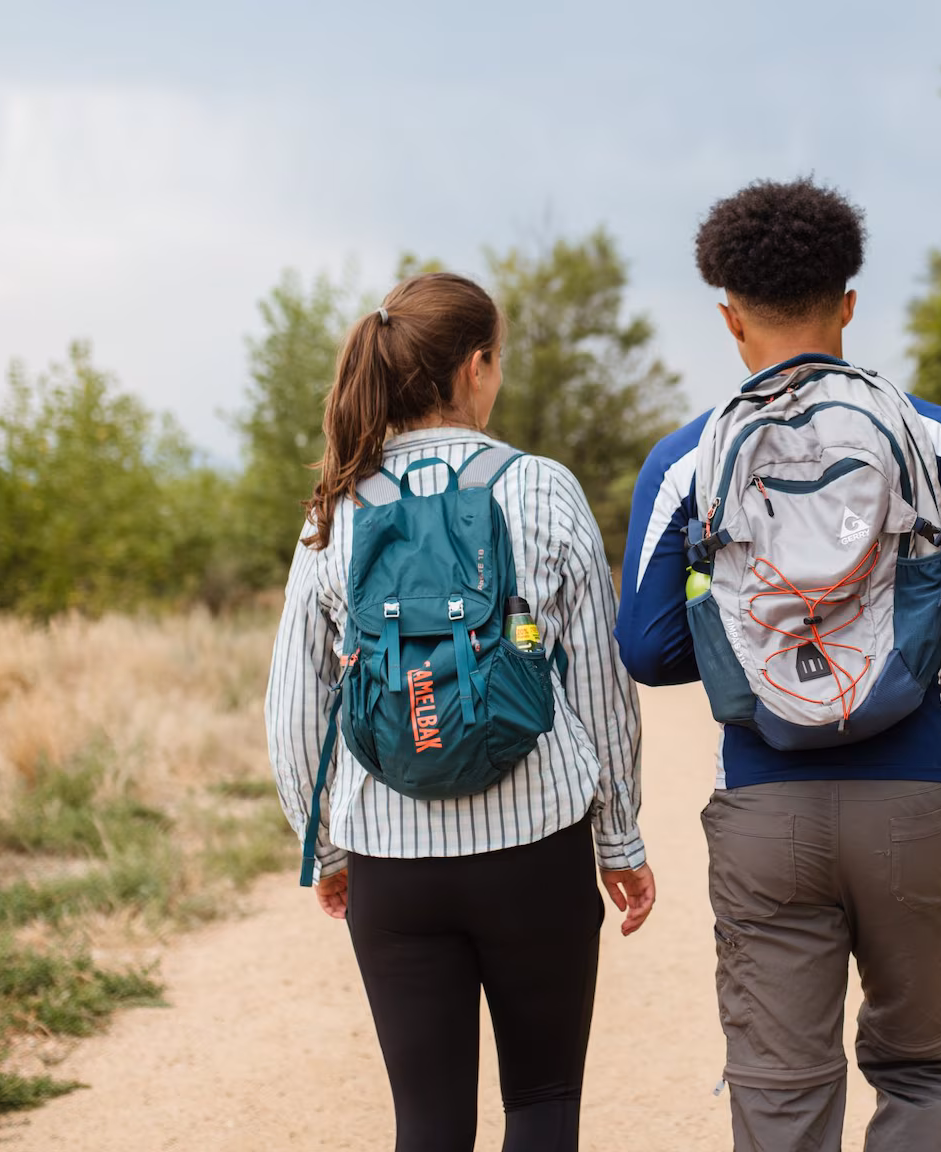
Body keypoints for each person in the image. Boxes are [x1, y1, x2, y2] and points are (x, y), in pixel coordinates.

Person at [616, 179, 941, 1150]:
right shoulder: (929, 434)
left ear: (727, 317)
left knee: (779, 1093)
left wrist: (757, 642)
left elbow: (647, 647)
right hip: (909, 798)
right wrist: (910, 633)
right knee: (917, 1074)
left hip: (763, 810)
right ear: (848, 302)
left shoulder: (688, 458)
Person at [266, 271, 657, 1152]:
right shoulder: (543, 488)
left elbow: (295, 704)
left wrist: (324, 845)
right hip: (538, 849)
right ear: (476, 367)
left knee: (429, 1124)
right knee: (544, 1104)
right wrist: (620, 840)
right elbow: (601, 683)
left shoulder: (335, 507)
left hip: (394, 861)